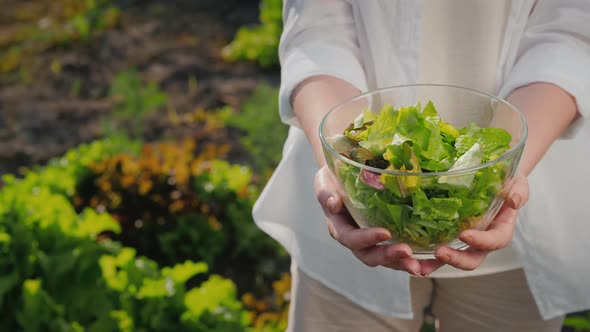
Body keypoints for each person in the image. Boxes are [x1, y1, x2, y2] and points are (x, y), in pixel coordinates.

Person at [253, 1, 590, 331]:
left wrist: (501, 171)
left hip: (520, 221)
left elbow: (569, 29)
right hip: (354, 220)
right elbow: (319, 28)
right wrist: (345, 157)